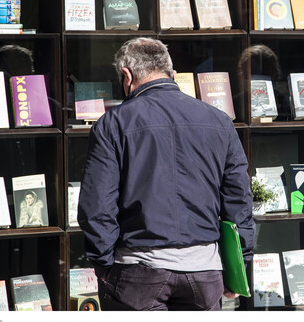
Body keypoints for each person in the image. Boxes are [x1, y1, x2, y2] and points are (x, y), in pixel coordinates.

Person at [77, 37, 255, 311]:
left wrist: (104, 265)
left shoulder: (112, 124)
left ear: (127, 75)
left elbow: (96, 206)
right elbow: (239, 201)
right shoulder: (219, 121)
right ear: (171, 72)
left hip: (138, 271)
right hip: (204, 270)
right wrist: (239, 265)